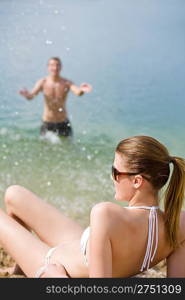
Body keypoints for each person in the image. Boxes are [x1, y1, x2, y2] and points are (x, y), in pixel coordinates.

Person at [0, 135, 185, 278]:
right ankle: (19, 267)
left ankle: (28, 266)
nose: (112, 178)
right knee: (14, 194)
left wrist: (54, 277)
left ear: (137, 181)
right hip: (81, 249)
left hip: (53, 264)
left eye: (116, 172)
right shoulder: (180, 222)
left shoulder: (106, 213)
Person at [19, 57, 92, 137]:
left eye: (57, 65)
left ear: (61, 67)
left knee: (68, 147)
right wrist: (26, 94)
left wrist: (82, 89)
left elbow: (78, 92)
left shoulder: (66, 83)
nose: (55, 68)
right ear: (48, 67)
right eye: (52, 65)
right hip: (47, 122)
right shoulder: (43, 82)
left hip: (63, 122)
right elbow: (31, 96)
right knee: (43, 148)